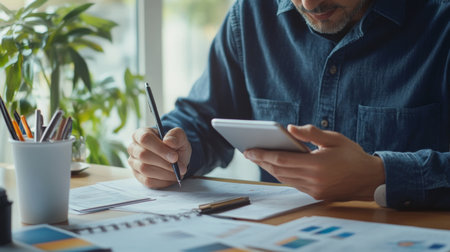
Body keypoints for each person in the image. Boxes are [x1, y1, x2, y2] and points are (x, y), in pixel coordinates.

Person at [128, 0, 450, 209]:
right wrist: (168, 150)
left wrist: (378, 176)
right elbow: (200, 119)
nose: (309, 3)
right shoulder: (252, 14)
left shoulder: (441, 22)